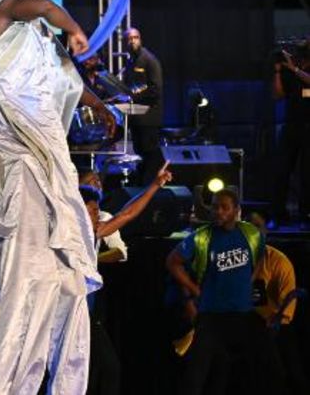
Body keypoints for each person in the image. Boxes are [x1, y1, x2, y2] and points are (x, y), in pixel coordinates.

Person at [0, 0, 102, 394]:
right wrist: (74, 28)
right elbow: (42, 8)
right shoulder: (6, 7)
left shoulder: (34, 33)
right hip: (19, 158)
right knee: (26, 278)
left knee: (66, 276)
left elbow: (65, 78)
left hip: (46, 160)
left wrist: (99, 106)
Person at [166, 189, 285, 395]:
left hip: (243, 315)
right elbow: (172, 261)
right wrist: (194, 289)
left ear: (236, 211)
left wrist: (249, 283)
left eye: (224, 208)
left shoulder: (251, 234)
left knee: (268, 369)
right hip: (212, 315)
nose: (218, 212)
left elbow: (259, 259)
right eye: (214, 206)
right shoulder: (202, 237)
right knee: (196, 377)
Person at [80, 164, 173, 395]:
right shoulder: (64, 234)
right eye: (92, 211)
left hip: (89, 313)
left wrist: (154, 184)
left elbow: (127, 214)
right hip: (66, 313)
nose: (97, 215)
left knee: (107, 368)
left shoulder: (97, 231)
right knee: (82, 371)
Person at [248, 212, 306, 394]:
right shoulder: (231, 260)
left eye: (257, 228)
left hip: (274, 326)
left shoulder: (278, 261)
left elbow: (286, 308)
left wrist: (272, 322)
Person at [271, 38, 310, 227]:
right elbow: (278, 95)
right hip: (292, 125)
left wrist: (295, 69)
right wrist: (278, 71)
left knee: (306, 172)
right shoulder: (289, 70)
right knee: (281, 169)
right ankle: (278, 214)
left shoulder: (298, 70)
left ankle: (305, 215)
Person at [122, 27, 163, 186]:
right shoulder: (131, 61)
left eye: (136, 37)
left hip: (149, 118)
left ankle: (149, 189)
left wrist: (132, 96)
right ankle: (140, 189)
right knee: (140, 155)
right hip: (137, 118)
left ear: (141, 39)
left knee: (150, 157)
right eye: (129, 38)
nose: (132, 41)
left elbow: (155, 90)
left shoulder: (149, 60)